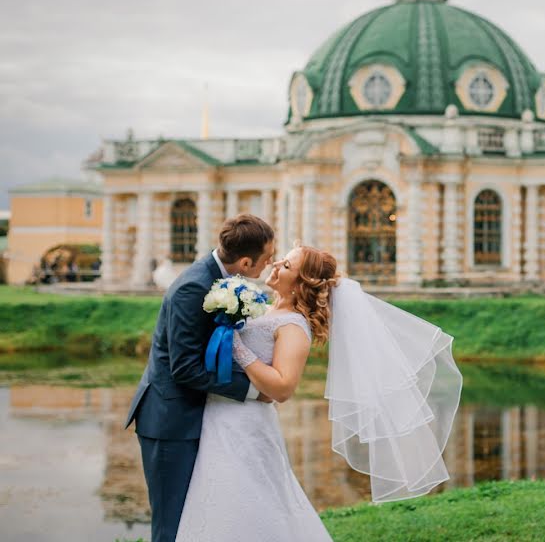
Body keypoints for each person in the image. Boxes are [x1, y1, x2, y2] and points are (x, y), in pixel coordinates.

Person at [175, 244, 462, 540]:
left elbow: (283, 387)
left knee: (246, 501)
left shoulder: (294, 326)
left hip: (247, 425)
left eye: (286, 266)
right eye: (281, 260)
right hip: (221, 417)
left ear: (302, 285)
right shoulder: (267, 307)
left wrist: (239, 350)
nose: (275, 265)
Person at [124, 214, 276, 542]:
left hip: (194, 416)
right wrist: (252, 390)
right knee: (171, 523)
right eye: (267, 259)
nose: (269, 265)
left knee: (196, 518)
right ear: (247, 262)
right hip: (169, 421)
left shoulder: (216, 276)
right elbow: (185, 368)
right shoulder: (193, 287)